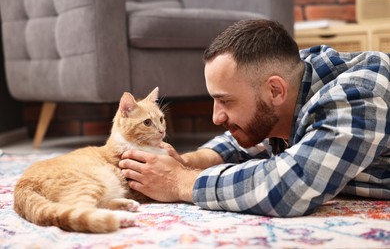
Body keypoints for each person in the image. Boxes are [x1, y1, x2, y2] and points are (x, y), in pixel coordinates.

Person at [119, 19, 390, 217]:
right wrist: (187, 161)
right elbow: (247, 137)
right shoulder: (294, 75)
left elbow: (290, 186)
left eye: (225, 100)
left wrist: (179, 181)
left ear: (275, 90)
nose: (216, 117)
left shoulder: (360, 95)